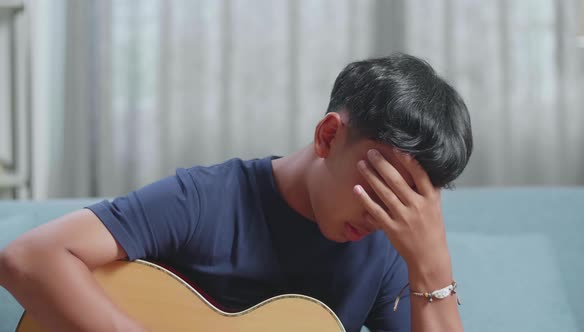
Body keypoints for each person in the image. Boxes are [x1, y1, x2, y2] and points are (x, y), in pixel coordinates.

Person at [0, 53, 472, 332]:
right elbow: (28, 258)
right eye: (384, 185)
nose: (385, 214)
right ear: (329, 137)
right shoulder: (206, 199)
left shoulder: (386, 250)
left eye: (411, 200)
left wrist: (431, 262)